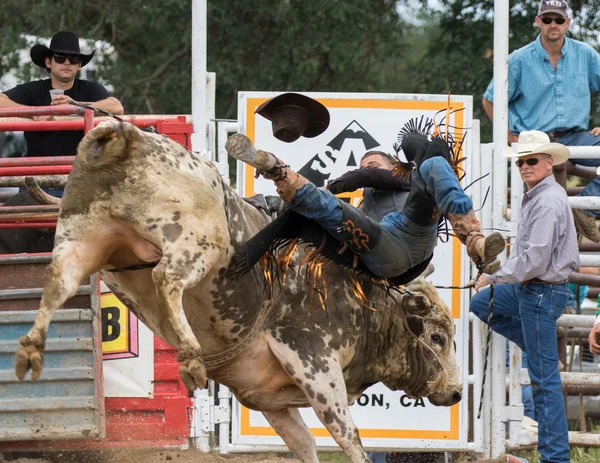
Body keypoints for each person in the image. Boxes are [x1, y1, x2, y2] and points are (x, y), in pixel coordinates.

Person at [225, 126, 505, 283]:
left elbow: (367, 175)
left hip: (409, 239)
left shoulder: (406, 179)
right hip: (387, 251)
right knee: (326, 211)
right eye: (365, 165)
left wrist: (331, 186)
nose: (370, 171)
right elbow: (308, 217)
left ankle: (474, 240)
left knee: (431, 158)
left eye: (375, 163)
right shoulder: (367, 207)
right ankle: (278, 172)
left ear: (394, 166)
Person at [471, 131, 578, 463]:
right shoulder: (545, 195)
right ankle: (540, 351)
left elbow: (534, 260)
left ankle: (555, 458)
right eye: (520, 161)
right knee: (482, 303)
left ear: (548, 163)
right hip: (536, 290)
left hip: (540, 291)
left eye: (531, 160)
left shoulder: (545, 200)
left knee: (544, 382)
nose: (524, 166)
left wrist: (493, 274)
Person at [481, 0, 600, 243]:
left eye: (558, 20)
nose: (553, 24)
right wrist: (508, 136)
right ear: (538, 22)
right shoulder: (519, 59)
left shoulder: (585, 54)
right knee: (540, 212)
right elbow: (490, 100)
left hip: (575, 136)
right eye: (547, 19)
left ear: (568, 22)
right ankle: (532, 251)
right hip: (535, 141)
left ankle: (585, 209)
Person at [0, 30, 124, 159]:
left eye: (73, 59)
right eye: (60, 57)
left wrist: (76, 107)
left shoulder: (90, 89)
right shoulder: (33, 89)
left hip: (78, 170)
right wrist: (33, 112)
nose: (67, 62)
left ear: (79, 65)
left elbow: (117, 107)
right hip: (38, 170)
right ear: (49, 62)